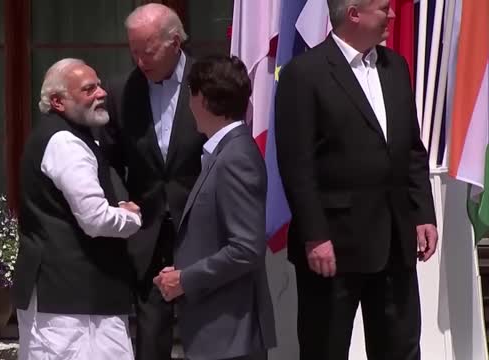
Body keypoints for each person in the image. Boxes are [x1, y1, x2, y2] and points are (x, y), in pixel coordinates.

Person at [275, 1, 438, 359]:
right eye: (383, 8)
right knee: (326, 348)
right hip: (334, 246)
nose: (392, 15)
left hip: (395, 240)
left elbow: (410, 148)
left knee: (401, 348)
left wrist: (423, 212)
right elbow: (296, 164)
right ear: (353, 14)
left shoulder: (396, 67)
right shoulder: (304, 74)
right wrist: (316, 235)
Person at [12, 58, 142, 360]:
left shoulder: (65, 137)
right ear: (58, 101)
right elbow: (95, 219)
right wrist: (131, 217)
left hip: (73, 298)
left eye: (98, 85)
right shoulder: (65, 143)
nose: (101, 93)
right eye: (88, 89)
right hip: (70, 304)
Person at [98, 3, 206, 359]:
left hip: (201, 227)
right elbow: (107, 161)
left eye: (147, 51)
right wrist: (121, 202)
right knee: (150, 339)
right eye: (134, 52)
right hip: (148, 233)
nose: (140, 61)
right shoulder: (121, 90)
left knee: (207, 335)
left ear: (175, 43)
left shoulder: (207, 79)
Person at [153, 55, 277, 360]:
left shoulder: (235, 157)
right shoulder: (224, 152)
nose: (188, 105)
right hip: (217, 332)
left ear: (203, 101)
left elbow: (246, 248)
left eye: (190, 96)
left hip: (231, 332)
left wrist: (185, 279)